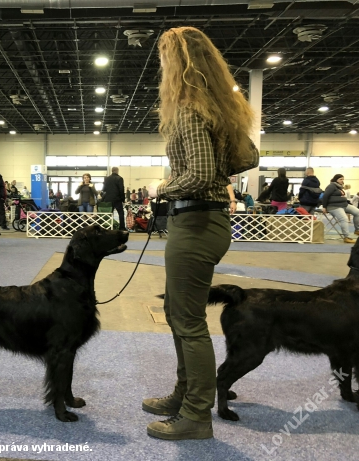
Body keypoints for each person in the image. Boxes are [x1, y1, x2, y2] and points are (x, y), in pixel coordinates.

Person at [144, 26, 258, 441]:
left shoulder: (189, 109)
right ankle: (183, 394)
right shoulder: (217, 107)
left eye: (163, 57)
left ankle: (195, 415)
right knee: (178, 314)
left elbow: (202, 174)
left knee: (188, 321)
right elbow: (249, 157)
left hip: (195, 222)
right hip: (202, 221)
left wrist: (162, 189)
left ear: (176, 61)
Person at [322, 174, 359, 243]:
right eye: (341, 179)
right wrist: (324, 207)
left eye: (343, 179)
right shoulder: (331, 186)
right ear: (336, 179)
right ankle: (346, 237)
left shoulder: (339, 187)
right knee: (344, 219)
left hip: (344, 205)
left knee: (357, 212)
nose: (342, 181)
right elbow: (325, 196)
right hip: (334, 207)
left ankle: (357, 230)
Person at [102, 167, 126, 231]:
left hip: (108, 199)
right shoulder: (120, 178)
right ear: (117, 171)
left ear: (111, 171)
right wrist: (123, 199)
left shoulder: (107, 179)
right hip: (117, 199)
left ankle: (108, 227)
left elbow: (104, 189)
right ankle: (122, 227)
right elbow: (121, 189)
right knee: (121, 213)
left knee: (109, 214)